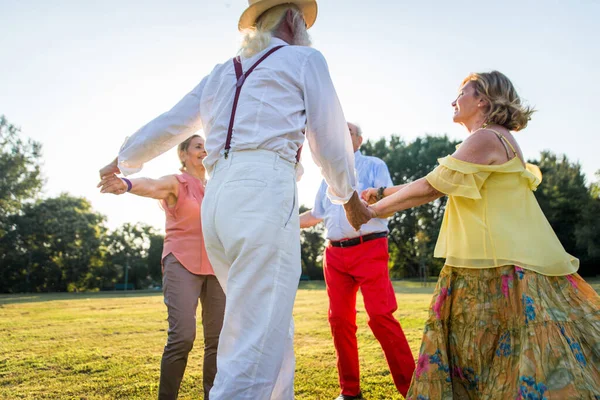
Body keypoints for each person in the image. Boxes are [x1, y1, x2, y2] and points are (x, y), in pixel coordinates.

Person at [97, 1, 371, 398]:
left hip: (218, 198)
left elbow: (171, 121)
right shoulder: (304, 59)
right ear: (294, 24)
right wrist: (346, 196)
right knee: (256, 336)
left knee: (263, 322)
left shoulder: (221, 72)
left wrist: (123, 159)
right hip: (264, 187)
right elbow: (329, 138)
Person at [360, 71, 600, 399]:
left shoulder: (486, 137)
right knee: (507, 361)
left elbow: (432, 186)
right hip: (499, 265)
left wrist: (374, 211)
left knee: (493, 360)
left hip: (493, 270)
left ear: (483, 99)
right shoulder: (496, 138)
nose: (453, 101)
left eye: (462, 93)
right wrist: (383, 193)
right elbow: (440, 180)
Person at [98, 135, 226, 400]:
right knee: (182, 337)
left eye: (207, 146)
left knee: (218, 342)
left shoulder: (219, 187)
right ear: (182, 154)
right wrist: (126, 183)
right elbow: (151, 184)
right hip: (181, 260)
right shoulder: (176, 182)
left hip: (217, 266)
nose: (205, 150)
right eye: (198, 146)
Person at [300, 123, 415, 400]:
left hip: (370, 248)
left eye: (349, 130)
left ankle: (413, 389)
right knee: (339, 320)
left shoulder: (375, 165)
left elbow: (390, 200)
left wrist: (372, 200)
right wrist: (280, 221)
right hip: (334, 255)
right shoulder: (327, 175)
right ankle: (350, 391)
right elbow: (315, 215)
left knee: (380, 316)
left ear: (359, 140)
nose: (342, 133)